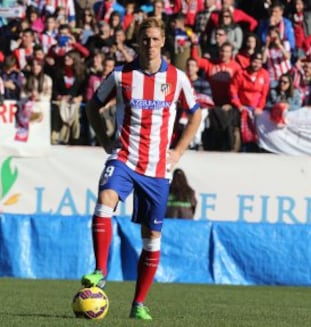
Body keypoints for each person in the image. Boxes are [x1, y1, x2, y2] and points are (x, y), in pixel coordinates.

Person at [82, 17, 201, 321]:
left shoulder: (177, 78)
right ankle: (100, 269)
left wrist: (178, 151)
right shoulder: (121, 75)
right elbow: (93, 105)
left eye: (155, 39)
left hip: (157, 168)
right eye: (144, 39)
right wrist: (106, 139)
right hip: (124, 157)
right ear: (137, 42)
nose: (150, 45)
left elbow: (196, 115)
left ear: (164, 42)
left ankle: (138, 304)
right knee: (105, 198)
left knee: (152, 237)